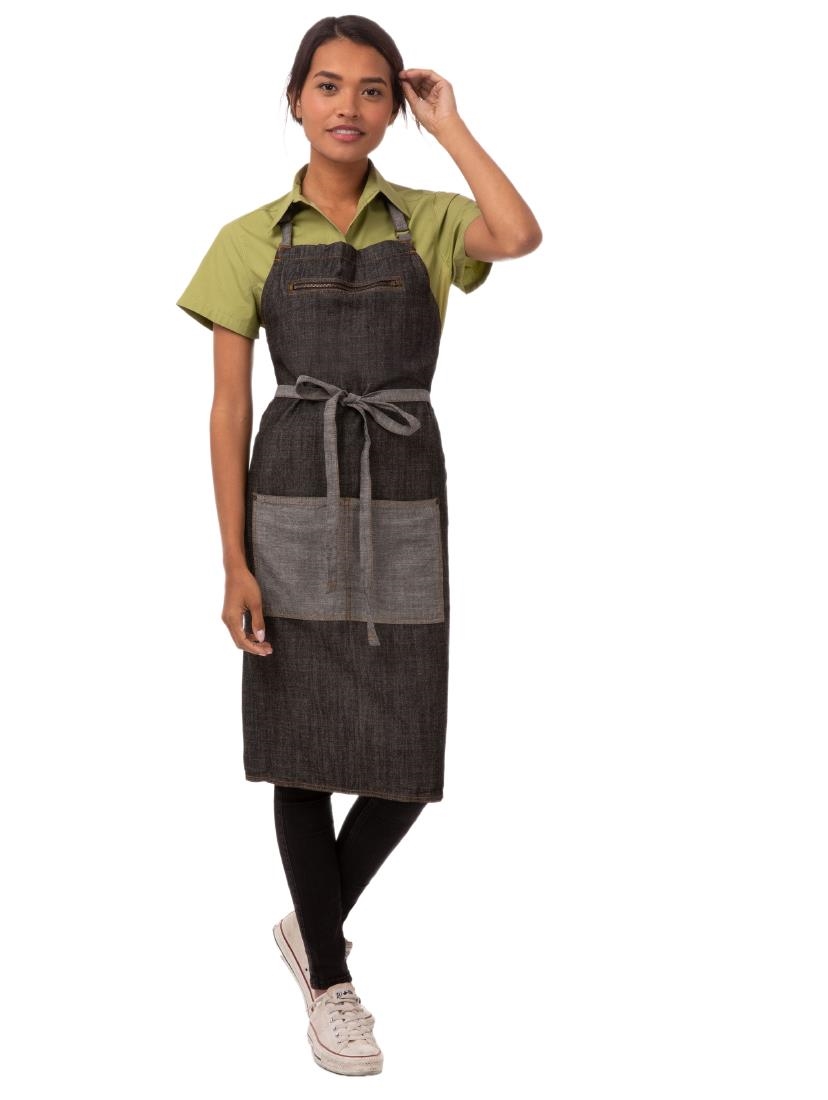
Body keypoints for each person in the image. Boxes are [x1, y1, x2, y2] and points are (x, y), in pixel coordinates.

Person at [176, 14, 541, 1076]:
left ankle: (309, 919)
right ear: (294, 99)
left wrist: (450, 124)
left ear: (393, 108)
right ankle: (330, 980)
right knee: (300, 743)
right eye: (327, 85)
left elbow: (518, 234)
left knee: (406, 751)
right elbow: (226, 410)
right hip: (290, 491)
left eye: (373, 89)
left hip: (401, 492)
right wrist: (233, 560)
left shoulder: (428, 219)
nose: (348, 106)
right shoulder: (247, 237)